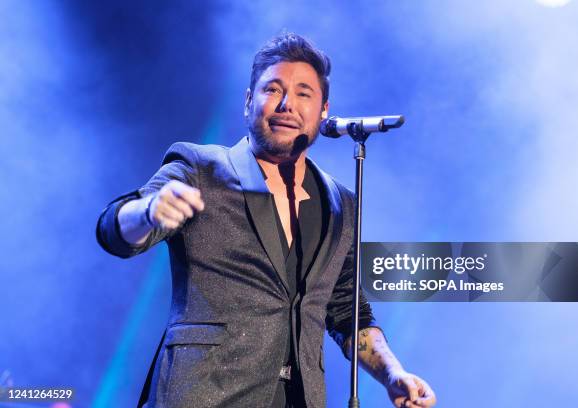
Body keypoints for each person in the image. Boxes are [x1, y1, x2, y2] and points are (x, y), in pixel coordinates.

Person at [96, 32, 436, 408]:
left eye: (304, 93)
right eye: (273, 90)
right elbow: (114, 231)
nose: (287, 104)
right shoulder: (201, 167)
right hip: (203, 397)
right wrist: (146, 213)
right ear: (248, 101)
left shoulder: (341, 202)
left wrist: (393, 374)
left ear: (323, 110)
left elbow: (347, 310)